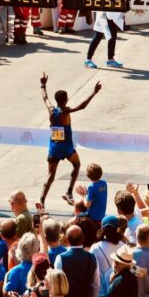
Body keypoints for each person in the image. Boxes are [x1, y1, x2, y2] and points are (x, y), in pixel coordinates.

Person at [38, 72, 101, 207]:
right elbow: (82, 106)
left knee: (51, 175)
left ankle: (42, 200)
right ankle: (69, 192)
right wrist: (94, 92)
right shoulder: (65, 111)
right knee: (77, 165)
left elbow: (45, 97)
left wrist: (43, 84)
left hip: (54, 146)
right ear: (66, 99)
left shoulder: (51, 110)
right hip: (66, 147)